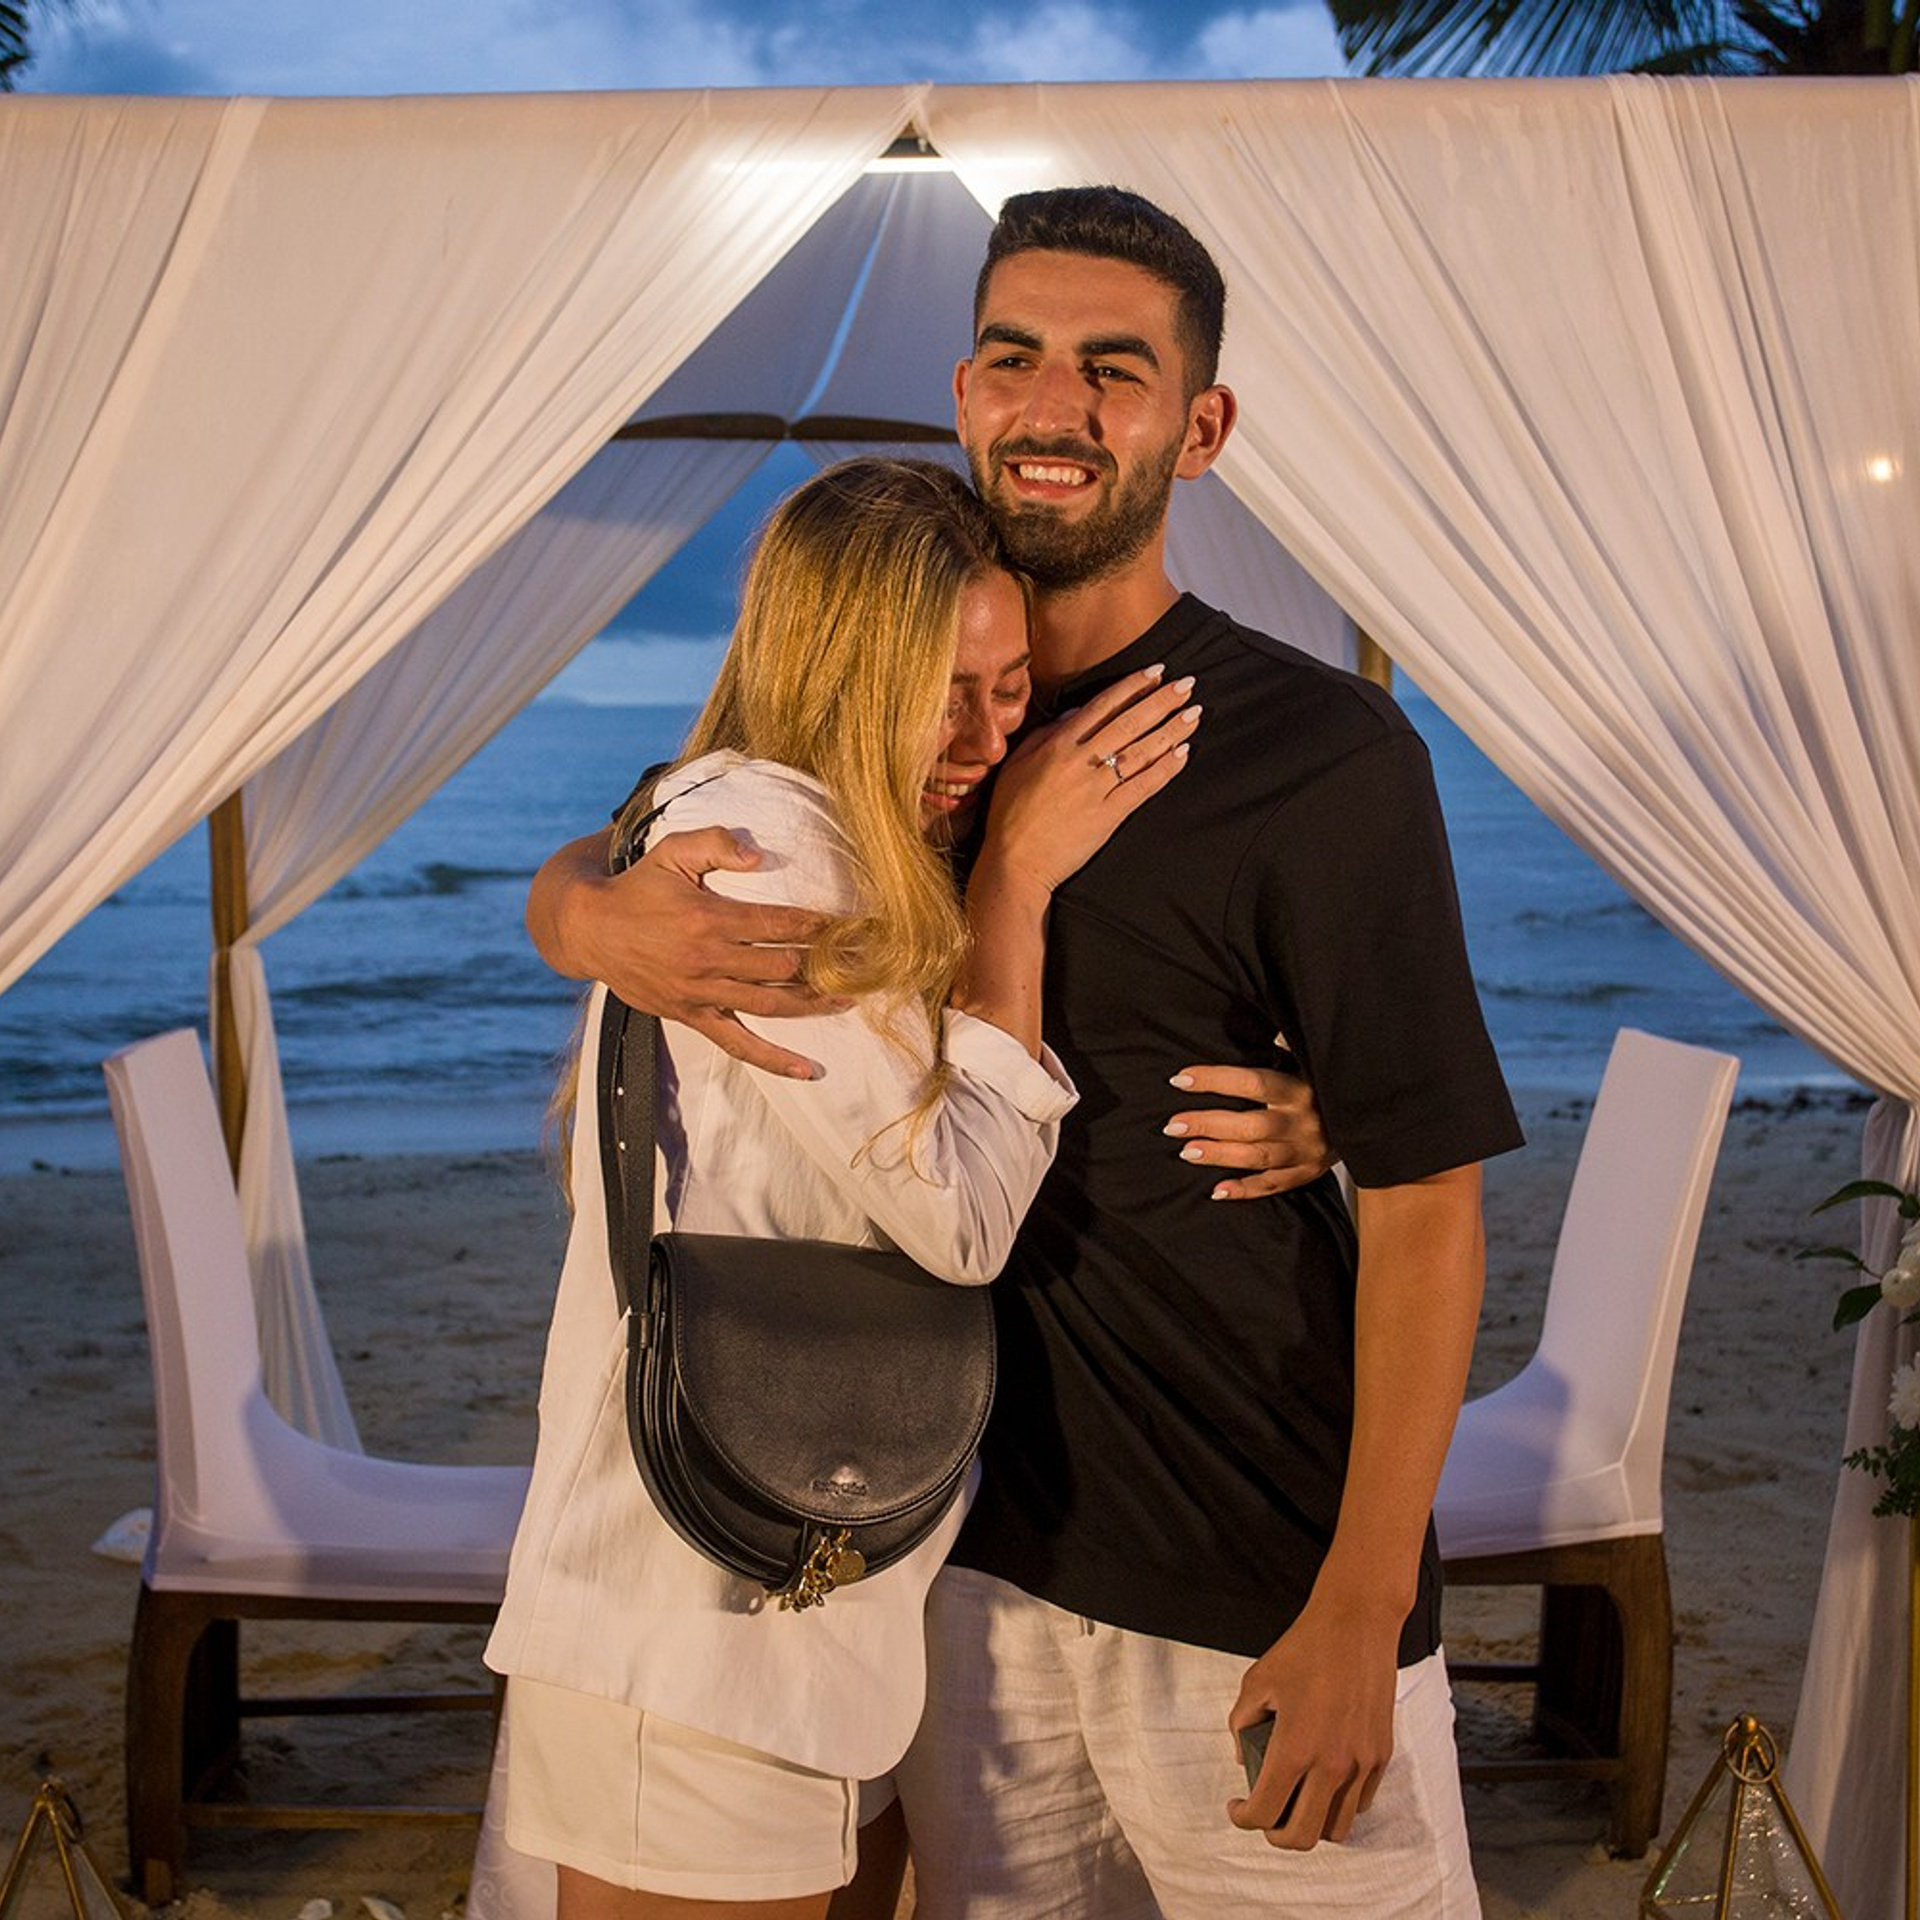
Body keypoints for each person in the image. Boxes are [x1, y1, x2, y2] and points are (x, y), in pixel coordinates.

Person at [527, 190, 1523, 1917]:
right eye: (1014, 356)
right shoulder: (887, 743)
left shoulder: (1324, 753)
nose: (1054, 406)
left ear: (1197, 429)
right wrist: (579, 911)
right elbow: (687, 842)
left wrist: (1365, 1605)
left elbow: (1432, 1200)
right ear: (965, 396)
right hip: (949, 1570)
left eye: (1114, 372)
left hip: (1252, 1571)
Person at [485, 455, 1196, 1920]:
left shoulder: (786, 822)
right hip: (695, 1630)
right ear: (840, 666)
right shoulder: (769, 849)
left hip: (753, 1603)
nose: (988, 737)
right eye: (949, 687)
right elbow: (961, 1216)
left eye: (1011, 690)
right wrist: (1013, 894)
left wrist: (568, 902)